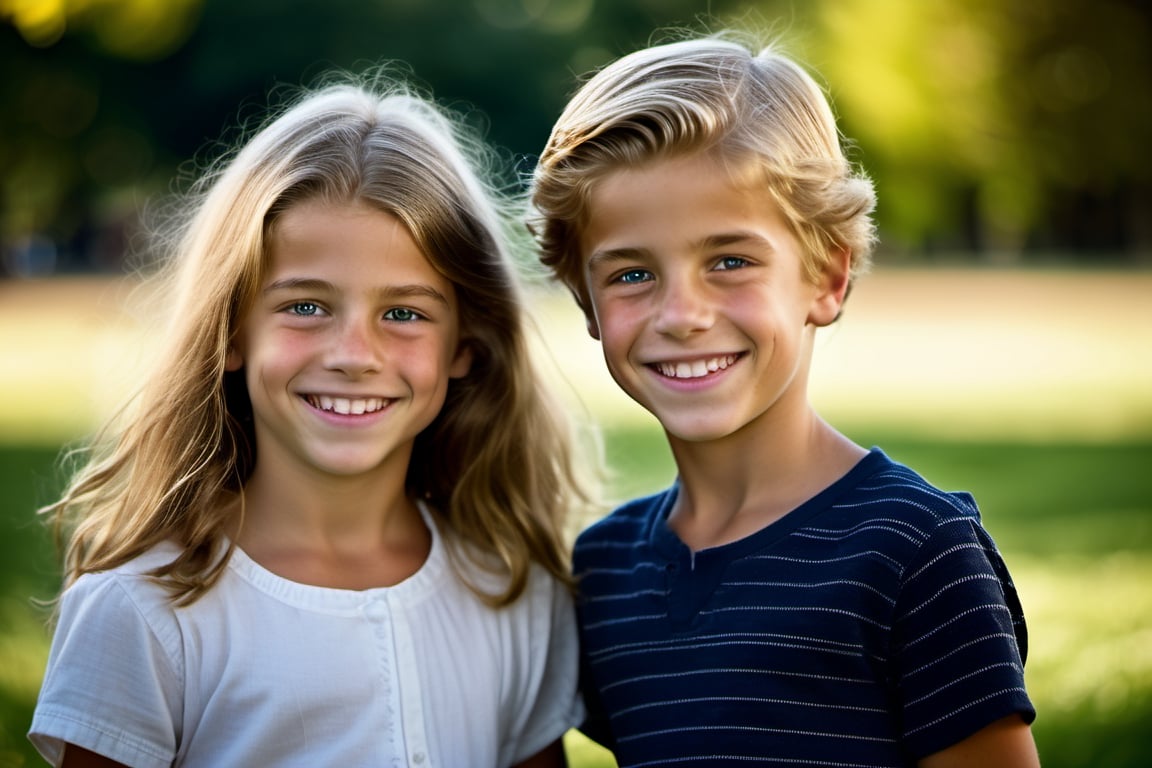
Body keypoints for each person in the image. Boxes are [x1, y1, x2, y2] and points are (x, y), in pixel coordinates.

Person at [30, 72, 593, 768]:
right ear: (231, 331)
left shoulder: (513, 589)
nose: (354, 355)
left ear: (465, 347)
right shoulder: (141, 609)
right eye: (306, 306)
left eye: (404, 313)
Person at [528, 32, 1040, 767]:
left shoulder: (914, 551)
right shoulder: (605, 571)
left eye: (730, 261)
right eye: (631, 274)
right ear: (586, 301)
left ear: (827, 279)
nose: (682, 314)